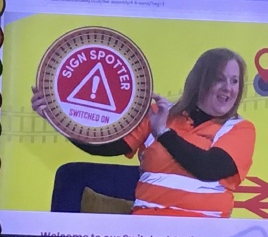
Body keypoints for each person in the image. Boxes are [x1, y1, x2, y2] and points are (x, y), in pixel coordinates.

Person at [31, 48, 256, 218]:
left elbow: (208, 168)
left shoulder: (240, 128)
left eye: (234, 81)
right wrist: (60, 120)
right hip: (146, 230)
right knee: (72, 175)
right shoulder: (160, 113)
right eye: (219, 79)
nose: (229, 88)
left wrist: (163, 133)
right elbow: (109, 146)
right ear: (200, 82)